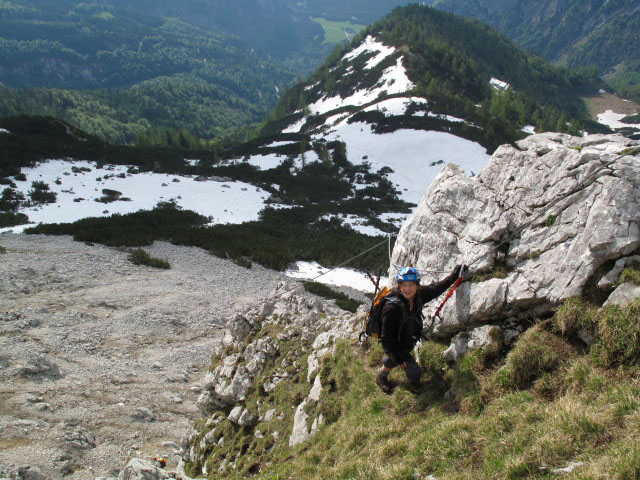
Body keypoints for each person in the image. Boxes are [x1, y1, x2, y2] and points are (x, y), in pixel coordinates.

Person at [375, 265, 467, 393]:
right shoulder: (391, 309)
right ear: (399, 286)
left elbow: (436, 288)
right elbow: (386, 338)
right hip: (396, 343)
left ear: (417, 285)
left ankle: (381, 374)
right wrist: (399, 357)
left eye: (411, 285)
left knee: (395, 358)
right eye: (404, 285)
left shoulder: (419, 295)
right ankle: (415, 385)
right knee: (414, 371)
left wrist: (454, 276)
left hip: (408, 338)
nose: (407, 289)